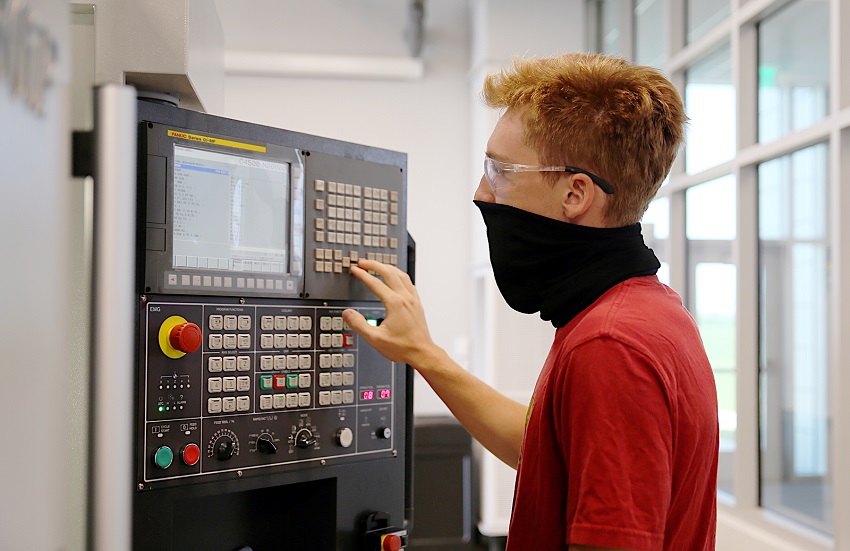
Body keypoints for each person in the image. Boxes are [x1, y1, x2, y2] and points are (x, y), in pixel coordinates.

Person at [341, 52, 718, 551]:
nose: (482, 191)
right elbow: (542, 449)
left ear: (574, 194)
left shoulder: (610, 347)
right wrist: (421, 352)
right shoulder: (650, 310)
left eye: (500, 171)